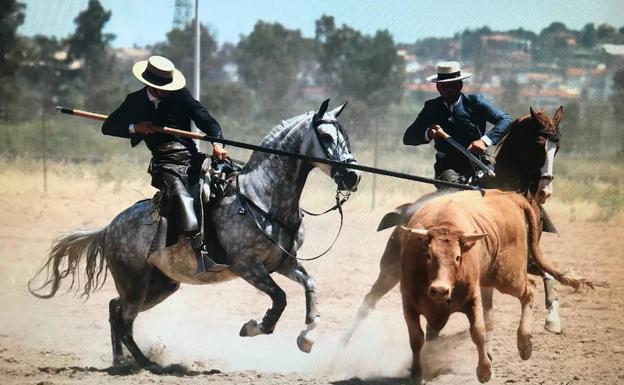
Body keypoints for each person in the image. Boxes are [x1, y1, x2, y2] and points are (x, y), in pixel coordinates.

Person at [101, 55, 227, 274]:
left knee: (224, 183)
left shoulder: (181, 97)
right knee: (182, 198)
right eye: (164, 87)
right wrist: (135, 128)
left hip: (191, 158)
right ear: (151, 86)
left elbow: (209, 122)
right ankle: (198, 254)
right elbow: (109, 126)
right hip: (164, 163)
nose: (169, 90)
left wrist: (217, 142)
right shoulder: (135, 101)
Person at [403, 61, 513, 184]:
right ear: (438, 87)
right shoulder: (431, 107)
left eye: (452, 86)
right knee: (453, 194)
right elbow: (408, 138)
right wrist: (428, 134)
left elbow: (506, 120)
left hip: (479, 164)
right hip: (447, 169)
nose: (447, 90)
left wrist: (484, 141)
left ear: (460, 85)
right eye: (443, 86)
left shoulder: (475, 103)